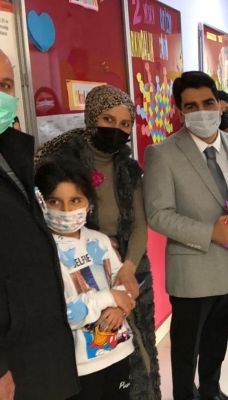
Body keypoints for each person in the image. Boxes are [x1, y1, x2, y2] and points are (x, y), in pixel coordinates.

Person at [34, 85, 161, 400]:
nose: (116, 129)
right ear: (92, 117)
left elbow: (139, 224)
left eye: (125, 123)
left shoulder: (128, 167)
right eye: (108, 119)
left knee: (137, 354)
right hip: (76, 268)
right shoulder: (62, 159)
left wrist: (127, 269)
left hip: (120, 265)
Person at [144, 71, 228, 400]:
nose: (202, 111)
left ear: (219, 104)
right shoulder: (162, 153)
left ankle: (211, 391)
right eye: (191, 106)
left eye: (208, 103)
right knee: (186, 351)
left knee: (217, 343)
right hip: (192, 270)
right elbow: (158, 214)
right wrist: (210, 232)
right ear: (180, 111)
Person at [0, 48, 79, 400]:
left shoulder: (12, 152)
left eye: (6, 85)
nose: (1, 95)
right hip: (10, 358)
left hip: (39, 343)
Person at [34, 160, 137, 400]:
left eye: (75, 200)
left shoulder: (100, 240)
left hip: (119, 351)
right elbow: (61, 314)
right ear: (41, 202)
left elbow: (125, 284)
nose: (66, 210)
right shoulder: (42, 252)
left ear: (88, 203)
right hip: (78, 367)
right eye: (54, 201)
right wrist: (109, 297)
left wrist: (119, 306)